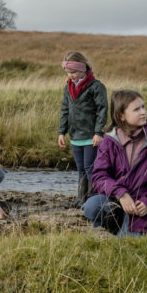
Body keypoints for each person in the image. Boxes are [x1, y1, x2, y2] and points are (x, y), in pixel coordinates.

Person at [83, 89, 147, 236]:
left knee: (130, 247)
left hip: (144, 208)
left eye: (143, 107)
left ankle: (127, 231)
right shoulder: (108, 142)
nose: (143, 112)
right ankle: (117, 228)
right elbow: (99, 176)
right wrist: (121, 194)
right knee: (91, 206)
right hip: (117, 201)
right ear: (120, 116)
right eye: (136, 109)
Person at [58, 51, 108, 208]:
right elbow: (65, 110)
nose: (70, 75)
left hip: (91, 137)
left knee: (90, 169)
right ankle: (81, 199)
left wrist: (98, 132)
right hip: (75, 136)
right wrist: (61, 132)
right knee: (80, 169)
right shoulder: (68, 87)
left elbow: (102, 110)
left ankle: (92, 201)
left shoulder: (96, 86)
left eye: (73, 72)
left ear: (83, 68)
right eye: (68, 72)